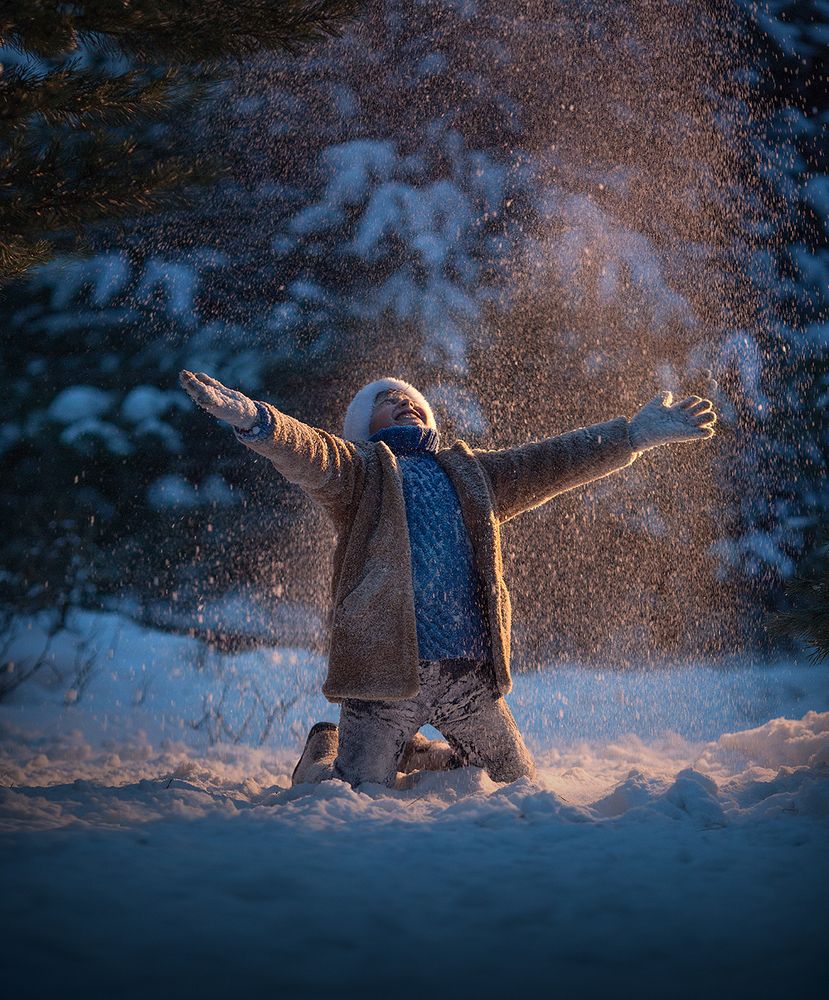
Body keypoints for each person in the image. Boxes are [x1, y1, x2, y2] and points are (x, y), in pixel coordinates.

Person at [179, 370, 716, 788]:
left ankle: (414, 752)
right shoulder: (360, 474)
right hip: (383, 681)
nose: (404, 400)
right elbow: (310, 452)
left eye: (411, 398)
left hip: (467, 679)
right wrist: (257, 420)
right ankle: (326, 745)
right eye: (387, 399)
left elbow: (549, 461)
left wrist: (632, 435)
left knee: (514, 783)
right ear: (362, 424)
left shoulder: (470, 473)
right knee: (349, 793)